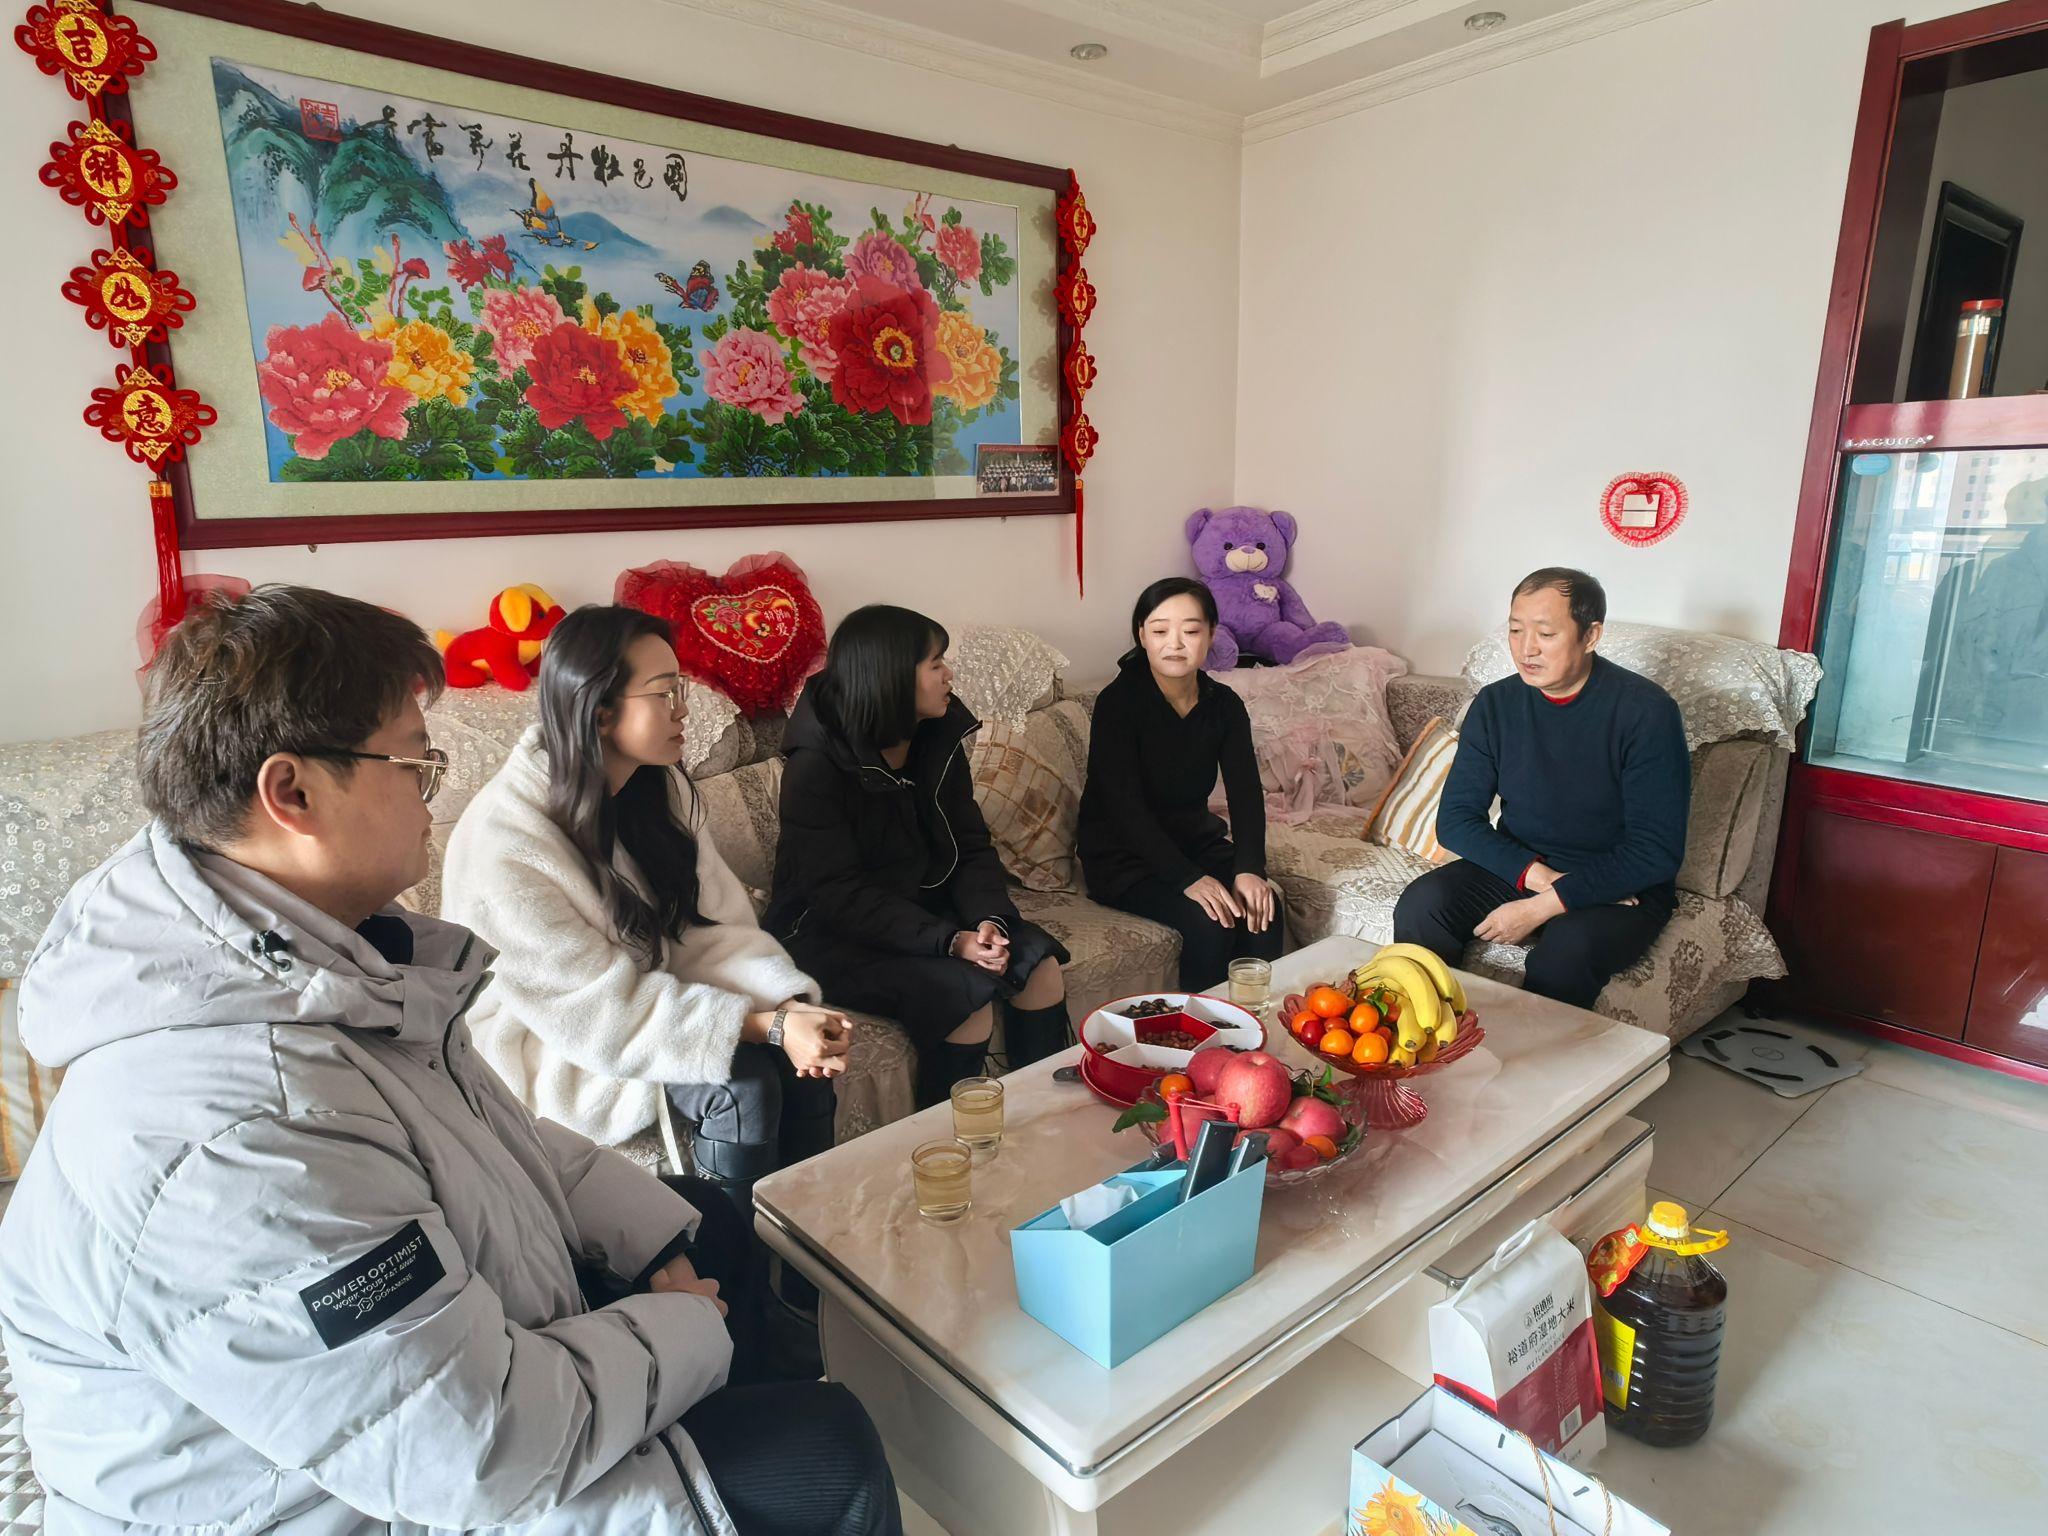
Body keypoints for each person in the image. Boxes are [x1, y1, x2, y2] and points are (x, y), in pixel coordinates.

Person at [0, 585, 899, 1536]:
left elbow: (495, 1141)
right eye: (415, 763)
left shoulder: (334, 960)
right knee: (830, 1451)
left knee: (706, 1224)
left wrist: (662, 1244)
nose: (435, 792)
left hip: (435, 1396)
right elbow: (477, 1452)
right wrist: (689, 1330)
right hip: (361, 1500)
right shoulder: (230, 1133)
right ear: (291, 793)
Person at [441, 605, 852, 1378]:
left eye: (680, 689)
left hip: (655, 1002)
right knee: (744, 1084)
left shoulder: (658, 791)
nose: (684, 710)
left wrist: (788, 1007)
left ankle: (806, 1285)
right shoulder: (506, 844)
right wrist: (761, 1028)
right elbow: (601, 1014)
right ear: (598, 711)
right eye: (664, 693)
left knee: (804, 1064)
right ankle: (749, 1310)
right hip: (557, 1044)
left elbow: (712, 930)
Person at [764, 605, 1071, 1108]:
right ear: (890, 678)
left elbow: (969, 843)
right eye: (935, 664)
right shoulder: (814, 768)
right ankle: (948, 1139)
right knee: (963, 999)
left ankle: (1044, 1116)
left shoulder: (937, 736)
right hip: (830, 931)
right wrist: (949, 942)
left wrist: (988, 920)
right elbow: (837, 893)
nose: (949, 674)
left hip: (921, 909)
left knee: (1039, 966)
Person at [1393, 567, 1688, 1011]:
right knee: (1422, 904)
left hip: (1618, 881)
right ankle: (1427, 1035)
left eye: (1546, 634)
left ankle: (1535, 1056)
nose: (1526, 648)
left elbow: (1655, 852)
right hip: (1523, 865)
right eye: (1515, 630)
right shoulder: (1496, 704)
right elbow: (1455, 821)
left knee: (1565, 955)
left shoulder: (1646, 712)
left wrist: (1544, 905)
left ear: (1590, 636)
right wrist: (1543, 880)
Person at [1077, 577, 1283, 989]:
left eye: (1190, 631)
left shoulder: (1223, 704)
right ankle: (1199, 1027)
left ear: (1210, 634)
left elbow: (1245, 794)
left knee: (1263, 908)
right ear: (1142, 636)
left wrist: (1249, 869)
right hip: (1123, 857)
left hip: (1194, 842)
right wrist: (1186, 878)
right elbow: (1124, 808)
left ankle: (1254, 1021)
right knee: (1212, 922)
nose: (1175, 643)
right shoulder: (1118, 703)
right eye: (1159, 631)